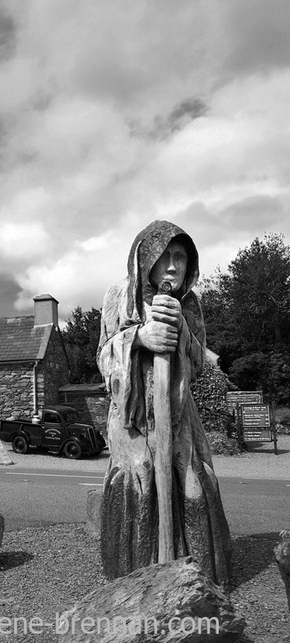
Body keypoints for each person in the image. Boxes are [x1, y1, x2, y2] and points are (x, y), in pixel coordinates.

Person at [97, 220, 232, 590]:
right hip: (133, 418)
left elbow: (200, 364)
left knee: (192, 483)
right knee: (139, 476)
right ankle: (134, 578)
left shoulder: (190, 305)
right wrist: (140, 336)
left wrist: (181, 331)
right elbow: (103, 358)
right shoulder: (118, 297)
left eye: (181, 257)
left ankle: (201, 577)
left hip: (178, 413)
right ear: (145, 259)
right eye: (165, 256)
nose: (173, 265)